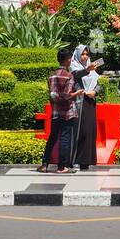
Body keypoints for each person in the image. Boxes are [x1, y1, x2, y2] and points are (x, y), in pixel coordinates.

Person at [38, 46, 82, 174]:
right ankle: (62, 167)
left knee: (52, 137)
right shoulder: (69, 76)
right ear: (68, 60)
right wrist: (77, 93)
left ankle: (44, 164)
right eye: (71, 59)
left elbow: (52, 95)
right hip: (67, 112)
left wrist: (54, 108)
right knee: (65, 138)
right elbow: (67, 95)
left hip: (56, 112)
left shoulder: (51, 76)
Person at [72, 45, 104, 170]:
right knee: (80, 130)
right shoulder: (73, 66)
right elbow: (76, 75)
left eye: (86, 54)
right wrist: (87, 70)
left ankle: (86, 160)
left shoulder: (92, 68)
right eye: (82, 54)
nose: (85, 57)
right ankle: (76, 160)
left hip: (90, 101)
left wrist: (95, 92)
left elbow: (98, 83)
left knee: (90, 130)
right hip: (79, 102)